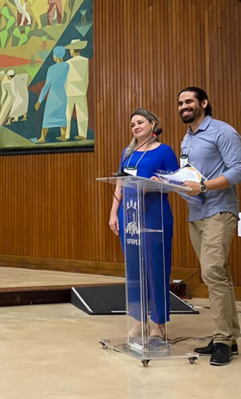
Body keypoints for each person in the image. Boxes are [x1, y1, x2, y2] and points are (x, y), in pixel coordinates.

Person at [177, 87, 241, 366]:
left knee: (212, 271)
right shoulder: (187, 138)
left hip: (220, 210)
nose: (184, 106)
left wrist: (203, 186)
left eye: (189, 101)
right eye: (180, 103)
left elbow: (238, 170)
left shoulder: (222, 131)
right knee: (218, 275)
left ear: (204, 103)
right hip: (196, 215)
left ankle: (223, 339)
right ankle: (228, 337)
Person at [108, 109, 178, 340]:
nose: (136, 127)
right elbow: (120, 184)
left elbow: (176, 183)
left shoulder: (164, 151)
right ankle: (140, 321)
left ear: (152, 124)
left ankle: (159, 324)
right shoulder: (127, 153)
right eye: (132, 124)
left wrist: (159, 182)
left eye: (140, 122)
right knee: (134, 270)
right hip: (129, 216)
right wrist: (113, 213)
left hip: (154, 215)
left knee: (156, 268)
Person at [35, 46, 69, 142]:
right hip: (63, 94)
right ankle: (63, 135)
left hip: (53, 96)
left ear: (55, 56)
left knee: (48, 116)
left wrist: (39, 101)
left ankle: (42, 137)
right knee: (62, 115)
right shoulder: (67, 66)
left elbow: (46, 86)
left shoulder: (52, 68)